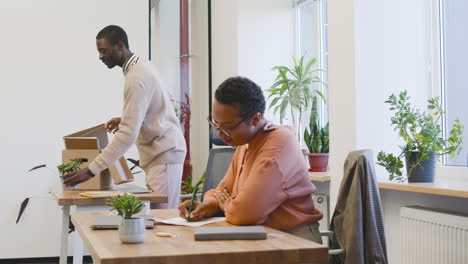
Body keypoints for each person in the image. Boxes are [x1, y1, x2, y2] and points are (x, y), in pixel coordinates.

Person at [178, 76, 323, 243]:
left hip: (294, 242)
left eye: (227, 128)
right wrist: (208, 205)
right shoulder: (245, 144)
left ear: (255, 119)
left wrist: (228, 205)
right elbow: (220, 191)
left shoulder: (278, 146)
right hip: (261, 237)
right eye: (216, 125)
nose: (219, 134)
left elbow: (243, 213)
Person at [64, 25, 186, 209]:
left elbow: (127, 134)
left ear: (120, 45)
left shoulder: (136, 77)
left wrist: (90, 171)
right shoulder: (144, 66)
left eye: (104, 51)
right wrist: (128, 119)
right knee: (159, 220)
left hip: (164, 153)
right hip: (164, 152)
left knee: (163, 221)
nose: (100, 57)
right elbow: (167, 100)